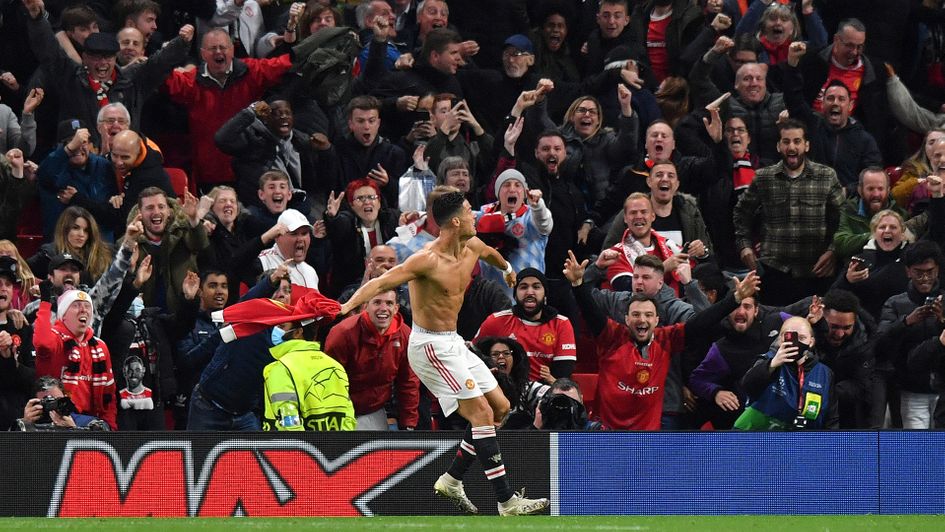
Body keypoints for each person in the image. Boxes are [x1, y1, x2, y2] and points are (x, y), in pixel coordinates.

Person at [339, 190, 548, 515]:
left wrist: (508, 268)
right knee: (480, 414)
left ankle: (451, 479)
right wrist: (348, 305)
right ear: (454, 221)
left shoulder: (472, 246)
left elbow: (491, 254)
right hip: (430, 346)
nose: (474, 216)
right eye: (468, 212)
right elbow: (381, 284)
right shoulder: (426, 259)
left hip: (452, 340)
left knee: (501, 408)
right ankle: (507, 501)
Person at [567, 250, 761, 430]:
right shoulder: (612, 336)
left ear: (657, 320)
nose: (642, 320)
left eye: (648, 315)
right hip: (609, 433)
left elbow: (701, 323)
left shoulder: (666, 339)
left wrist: (734, 299)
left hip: (650, 437)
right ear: (626, 319)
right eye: (636, 314)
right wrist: (578, 284)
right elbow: (590, 310)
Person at [733, 119, 845, 305]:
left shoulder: (826, 176)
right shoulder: (763, 178)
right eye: (786, 142)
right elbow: (741, 213)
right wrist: (744, 245)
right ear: (778, 146)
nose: (791, 147)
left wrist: (833, 251)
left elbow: (843, 218)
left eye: (797, 141)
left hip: (816, 272)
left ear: (806, 145)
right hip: (774, 272)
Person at [324, 289, 419, 430]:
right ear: (365, 307)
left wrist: (408, 425)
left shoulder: (405, 335)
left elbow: (408, 382)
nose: (383, 308)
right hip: (339, 406)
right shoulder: (343, 333)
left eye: (389, 303)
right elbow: (328, 381)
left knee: (379, 450)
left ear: (396, 308)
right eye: (377, 302)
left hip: (373, 409)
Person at [875, 241, 945, 429]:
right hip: (911, 390)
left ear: (937, 270)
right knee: (917, 448)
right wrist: (906, 322)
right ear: (908, 271)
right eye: (918, 272)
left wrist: (942, 321)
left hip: (943, 388)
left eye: (929, 271)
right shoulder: (895, 304)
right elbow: (880, 344)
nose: (924, 278)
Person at [33, 286, 117, 429]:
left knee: (102, 428)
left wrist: (110, 427)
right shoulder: (56, 339)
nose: (83, 310)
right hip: (54, 418)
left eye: (87, 306)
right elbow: (41, 342)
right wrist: (45, 303)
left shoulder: (100, 347)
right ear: (63, 315)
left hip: (89, 421)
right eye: (76, 306)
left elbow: (108, 396)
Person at [736, 316, 840, 430]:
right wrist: (772, 365)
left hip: (804, 442)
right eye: (790, 337)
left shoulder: (825, 373)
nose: (797, 343)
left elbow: (831, 419)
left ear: (811, 341)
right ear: (781, 339)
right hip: (760, 440)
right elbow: (747, 386)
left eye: (802, 337)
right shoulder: (767, 361)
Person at [475, 268, 575, 383]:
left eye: (536, 287)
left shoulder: (561, 324)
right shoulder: (496, 321)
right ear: (515, 295)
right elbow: (473, 356)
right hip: (504, 391)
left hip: (546, 392)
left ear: (545, 293)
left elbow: (563, 374)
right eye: (523, 287)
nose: (530, 292)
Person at [475, 336, 548, 430]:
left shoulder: (527, 388)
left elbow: (552, 395)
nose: (501, 356)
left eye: (506, 353)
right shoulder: (475, 387)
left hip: (519, 442)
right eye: (495, 354)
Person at [28, 206, 113, 285]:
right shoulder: (49, 254)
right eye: (75, 228)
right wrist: (40, 287)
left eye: (86, 230)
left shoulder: (104, 254)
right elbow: (23, 272)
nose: (81, 234)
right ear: (64, 229)